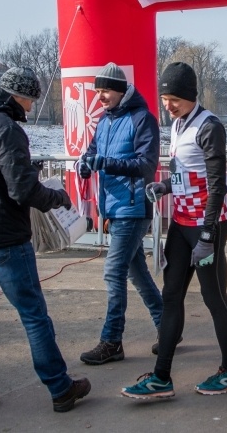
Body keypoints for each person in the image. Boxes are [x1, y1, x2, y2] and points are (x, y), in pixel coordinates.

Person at [0, 66, 90, 414]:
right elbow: (21, 189)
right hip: (4, 236)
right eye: (29, 100)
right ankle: (59, 386)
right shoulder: (5, 128)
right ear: (19, 96)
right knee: (34, 313)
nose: (29, 108)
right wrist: (56, 197)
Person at [122, 62, 227, 399]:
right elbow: (186, 173)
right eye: (164, 98)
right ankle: (161, 377)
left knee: (213, 298)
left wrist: (207, 235)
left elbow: (216, 186)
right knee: (170, 295)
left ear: (190, 95)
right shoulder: (177, 125)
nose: (168, 104)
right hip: (180, 223)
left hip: (209, 226)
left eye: (174, 98)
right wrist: (165, 186)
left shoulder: (209, 127)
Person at [76, 63, 164, 365]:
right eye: (98, 91)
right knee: (136, 272)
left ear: (122, 91)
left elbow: (145, 165)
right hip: (114, 206)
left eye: (105, 91)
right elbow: (91, 152)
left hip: (135, 207)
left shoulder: (143, 120)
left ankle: (112, 341)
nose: (100, 97)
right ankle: (168, 328)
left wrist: (104, 163)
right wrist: (87, 163)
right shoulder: (104, 121)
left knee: (113, 272)